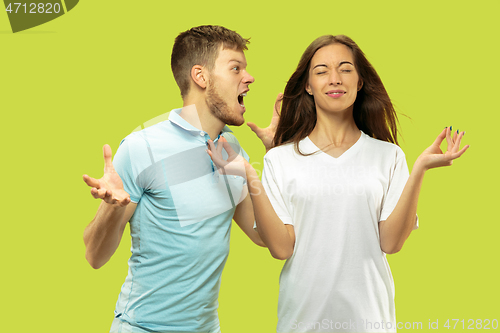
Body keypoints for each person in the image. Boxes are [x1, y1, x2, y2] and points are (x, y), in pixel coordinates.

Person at [207, 35, 469, 333]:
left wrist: (419, 168)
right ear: (308, 85)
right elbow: (280, 248)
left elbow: (391, 243)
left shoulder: (389, 156)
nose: (334, 79)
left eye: (345, 69)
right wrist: (249, 173)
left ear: (359, 82)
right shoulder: (279, 160)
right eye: (321, 71)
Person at [82, 25, 275, 333]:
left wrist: (277, 159)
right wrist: (113, 207)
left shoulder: (230, 148)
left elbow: (263, 235)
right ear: (201, 77)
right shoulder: (142, 147)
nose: (249, 78)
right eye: (235, 68)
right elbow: (94, 256)